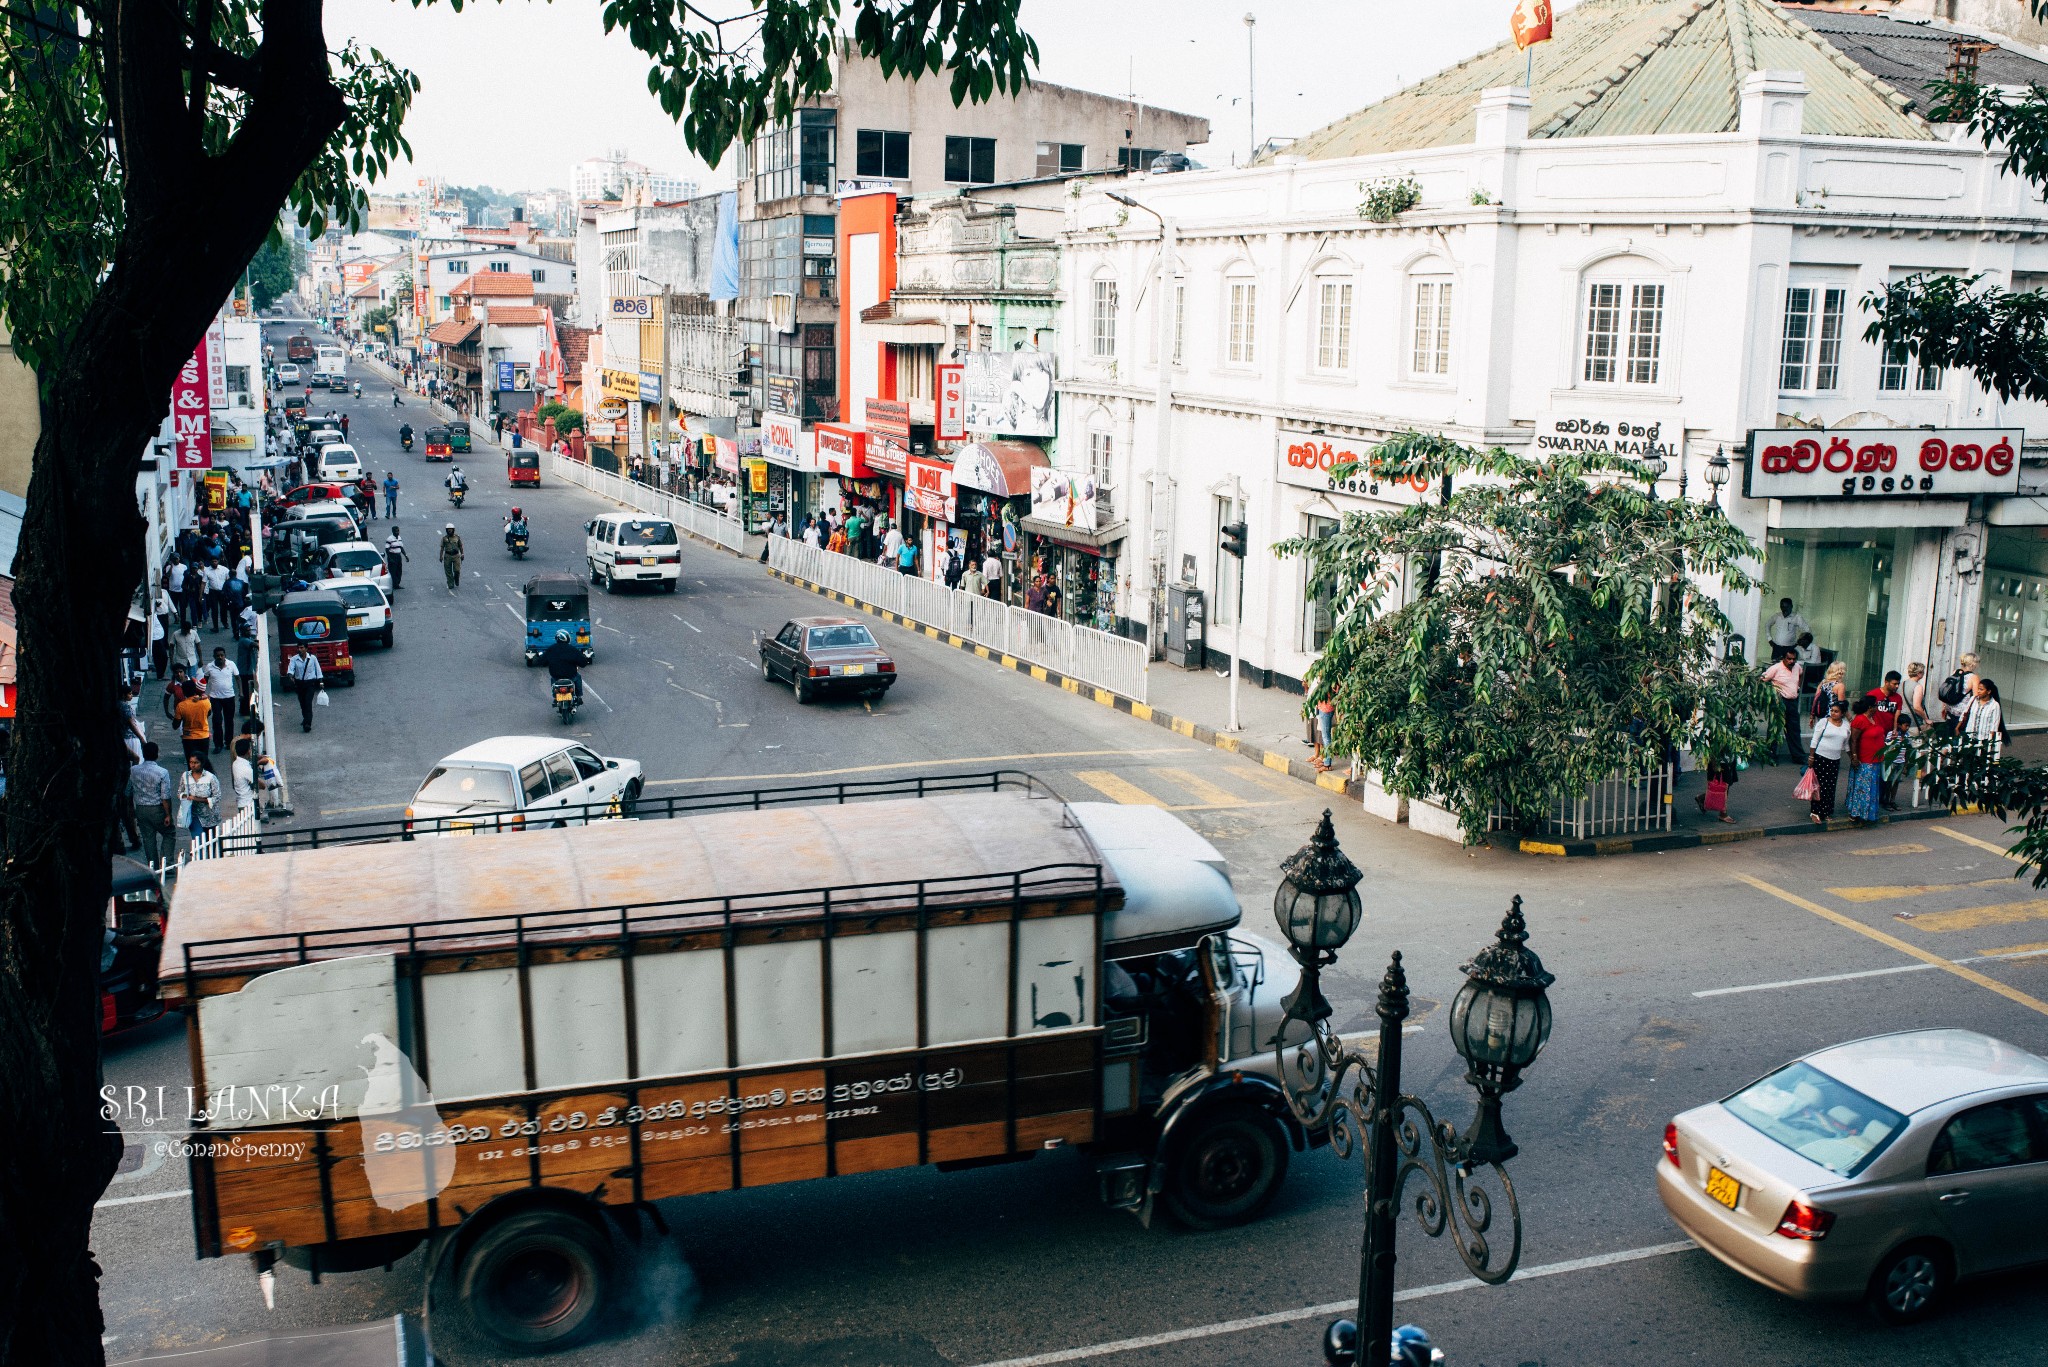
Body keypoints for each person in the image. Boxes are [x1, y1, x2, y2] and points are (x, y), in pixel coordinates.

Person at [1806, 699, 1851, 825]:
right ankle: (1815, 812)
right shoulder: (1823, 722)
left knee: (1830, 787)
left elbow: (1846, 745)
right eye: (1832, 710)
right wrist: (1811, 757)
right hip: (1820, 758)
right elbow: (1814, 740)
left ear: (1842, 713)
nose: (1833, 713)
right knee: (1817, 786)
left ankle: (1826, 812)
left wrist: (1852, 758)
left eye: (1836, 711)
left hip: (1835, 760)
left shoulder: (1846, 725)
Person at [129, 741, 174, 867]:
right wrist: (168, 814)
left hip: (141, 809)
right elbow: (165, 796)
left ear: (143, 754)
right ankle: (167, 865)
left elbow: (128, 792)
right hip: (157, 808)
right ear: (157, 754)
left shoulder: (133, 770)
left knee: (148, 838)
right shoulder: (162, 772)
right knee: (169, 833)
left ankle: (152, 866)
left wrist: (132, 810)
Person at [1865, 671, 1906, 810]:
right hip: (1874, 736)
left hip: (1889, 738)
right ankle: (1874, 798)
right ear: (1886, 682)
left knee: (1888, 769)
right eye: (1894, 683)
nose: (1896, 686)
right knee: (1875, 767)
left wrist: (1895, 730)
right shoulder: (1873, 694)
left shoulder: (1897, 698)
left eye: (1898, 684)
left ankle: (1886, 799)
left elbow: (1897, 715)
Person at [1847, 697, 1885, 824]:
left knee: (1871, 788)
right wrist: (1854, 757)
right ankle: (1856, 813)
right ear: (1870, 707)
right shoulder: (1859, 720)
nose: (1877, 708)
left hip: (1876, 760)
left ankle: (1867, 813)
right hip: (1864, 760)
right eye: (1876, 706)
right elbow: (1853, 740)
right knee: (1862, 789)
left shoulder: (1874, 719)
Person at [178, 752, 223, 847]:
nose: (193, 765)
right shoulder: (185, 776)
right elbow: (179, 793)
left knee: (212, 842)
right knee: (198, 841)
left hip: (210, 816)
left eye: (196, 762)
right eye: (191, 762)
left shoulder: (210, 777)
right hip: (193, 815)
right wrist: (185, 797)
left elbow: (217, 797)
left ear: (202, 763)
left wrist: (198, 799)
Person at [200, 646, 240, 752]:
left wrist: (241, 692)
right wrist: (202, 693)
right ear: (214, 657)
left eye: (222, 655)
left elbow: (237, 678)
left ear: (225, 656)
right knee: (217, 721)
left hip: (229, 697)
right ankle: (218, 744)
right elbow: (205, 680)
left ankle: (229, 743)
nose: (220, 657)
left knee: (229, 721)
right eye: (217, 656)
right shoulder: (209, 667)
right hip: (215, 698)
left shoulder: (231, 664)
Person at [174, 681, 212, 770]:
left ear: (183, 691)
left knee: (191, 765)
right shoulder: (205, 702)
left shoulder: (181, 706)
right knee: (203, 762)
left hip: (189, 739)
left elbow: (175, 725)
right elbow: (208, 714)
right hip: (204, 737)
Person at [539, 628, 584, 704]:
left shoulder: (551, 649)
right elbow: (583, 663)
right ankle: (579, 696)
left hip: (556, 677)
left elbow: (542, 662)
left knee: (553, 680)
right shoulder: (572, 649)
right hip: (571, 676)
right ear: (567, 638)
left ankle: (555, 695)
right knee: (578, 677)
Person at [1940, 652, 1982, 732]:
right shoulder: (1974, 677)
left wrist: (1944, 707)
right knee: (1959, 738)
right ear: (1973, 664)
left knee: (1949, 736)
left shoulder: (1955, 672)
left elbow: (1948, 690)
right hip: (1961, 714)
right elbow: (1976, 697)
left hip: (1950, 710)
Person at [286, 643, 323, 732]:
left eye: (302, 648)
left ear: (306, 649)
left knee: (308, 703)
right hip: (299, 684)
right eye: (298, 648)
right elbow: (290, 670)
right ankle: (305, 718)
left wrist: (321, 681)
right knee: (302, 703)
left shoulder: (312, 658)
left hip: (310, 684)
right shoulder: (294, 659)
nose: (299, 649)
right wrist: (291, 677)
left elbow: (318, 670)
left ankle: (307, 724)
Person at [1963, 677, 2005, 750]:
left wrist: (1989, 741)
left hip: (1983, 739)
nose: (1978, 691)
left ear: (1988, 691)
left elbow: (1994, 725)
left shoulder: (1994, 705)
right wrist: (1957, 728)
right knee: (1967, 759)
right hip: (1970, 736)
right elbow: (1965, 713)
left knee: (1980, 760)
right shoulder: (1973, 699)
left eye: (1981, 689)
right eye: (1978, 688)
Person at [1312, 696, 1337, 771]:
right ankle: (1326, 761)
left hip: (1325, 709)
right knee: (1326, 736)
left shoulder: (1328, 685)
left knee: (1326, 738)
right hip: (1325, 708)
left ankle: (1327, 764)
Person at [439, 523, 464, 590]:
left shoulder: (457, 537)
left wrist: (462, 554)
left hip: (456, 556)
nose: (450, 531)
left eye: (451, 530)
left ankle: (456, 579)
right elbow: (442, 548)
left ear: (453, 530)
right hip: (447, 556)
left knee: (457, 570)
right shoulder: (444, 538)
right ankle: (450, 583)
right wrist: (440, 556)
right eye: (448, 530)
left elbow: (460, 546)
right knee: (448, 571)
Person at [384, 526, 408, 592]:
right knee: (393, 571)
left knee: (399, 570)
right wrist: (390, 558)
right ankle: (394, 584)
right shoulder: (389, 539)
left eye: (398, 531)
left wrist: (405, 555)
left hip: (398, 556)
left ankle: (397, 584)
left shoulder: (399, 538)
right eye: (396, 531)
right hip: (392, 556)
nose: (397, 532)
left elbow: (401, 547)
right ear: (393, 531)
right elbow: (387, 549)